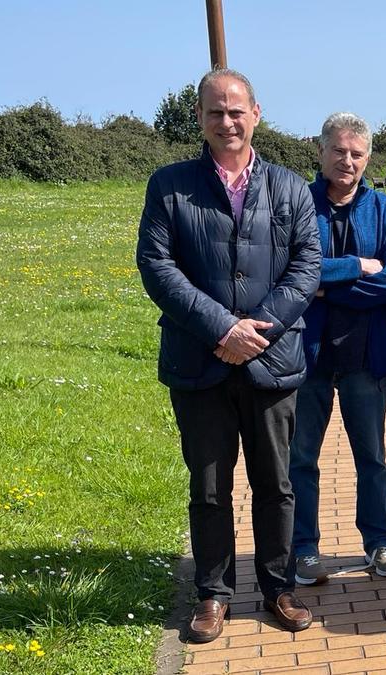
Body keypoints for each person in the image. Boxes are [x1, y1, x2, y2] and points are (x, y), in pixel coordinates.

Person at [136, 68, 320, 642]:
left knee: (276, 484)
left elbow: (307, 265)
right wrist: (222, 328)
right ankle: (213, 594)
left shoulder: (290, 187)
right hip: (201, 362)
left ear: (256, 114)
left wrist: (255, 331)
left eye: (236, 110)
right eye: (215, 111)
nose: (227, 121)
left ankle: (277, 587)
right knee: (210, 487)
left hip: (272, 362)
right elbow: (157, 266)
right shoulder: (169, 186)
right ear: (200, 119)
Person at [288, 113, 386, 585]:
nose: (347, 161)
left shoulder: (384, 209)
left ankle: (379, 543)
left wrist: (324, 284)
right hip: (306, 351)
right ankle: (304, 549)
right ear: (320, 152)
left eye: (357, 153)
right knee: (300, 457)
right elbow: (292, 272)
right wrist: (356, 266)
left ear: (367, 159)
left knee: (373, 456)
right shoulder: (296, 202)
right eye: (338, 151)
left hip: (367, 353)